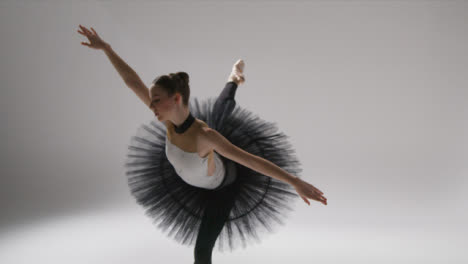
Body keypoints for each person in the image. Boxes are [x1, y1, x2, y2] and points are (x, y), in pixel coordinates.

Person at [77, 24, 327, 264]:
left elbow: (250, 161)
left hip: (222, 188)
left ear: (176, 99)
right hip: (195, 175)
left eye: (156, 101)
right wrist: (107, 49)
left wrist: (295, 181)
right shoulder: (168, 121)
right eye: (151, 101)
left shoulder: (205, 135)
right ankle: (233, 78)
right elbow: (133, 82)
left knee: (201, 254)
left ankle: (233, 80)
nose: (151, 106)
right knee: (218, 117)